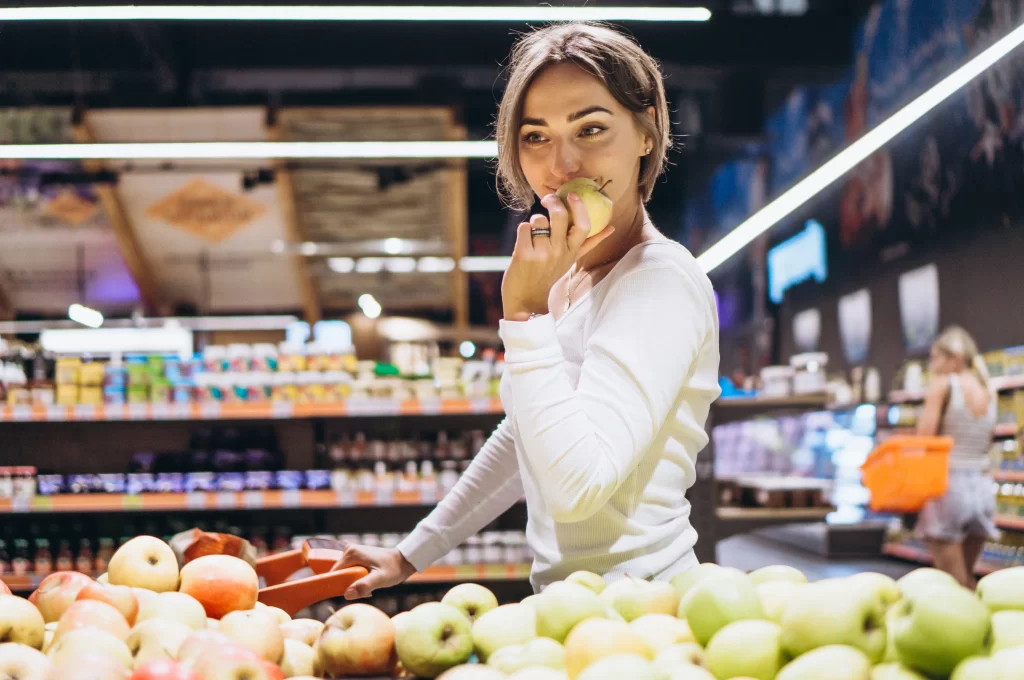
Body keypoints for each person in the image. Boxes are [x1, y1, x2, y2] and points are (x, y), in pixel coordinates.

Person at [334, 22, 721, 598]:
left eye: (591, 128)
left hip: (643, 614)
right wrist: (411, 553)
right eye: (536, 136)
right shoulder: (568, 280)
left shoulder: (657, 281)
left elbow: (575, 491)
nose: (562, 165)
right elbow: (525, 442)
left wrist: (522, 317)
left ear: (647, 131)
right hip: (571, 609)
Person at [915, 326, 999, 589]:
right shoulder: (988, 390)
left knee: (952, 584)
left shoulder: (942, 386)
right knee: (967, 579)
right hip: (983, 486)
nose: (933, 365)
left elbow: (924, 439)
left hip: (947, 485)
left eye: (936, 357)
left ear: (955, 358)